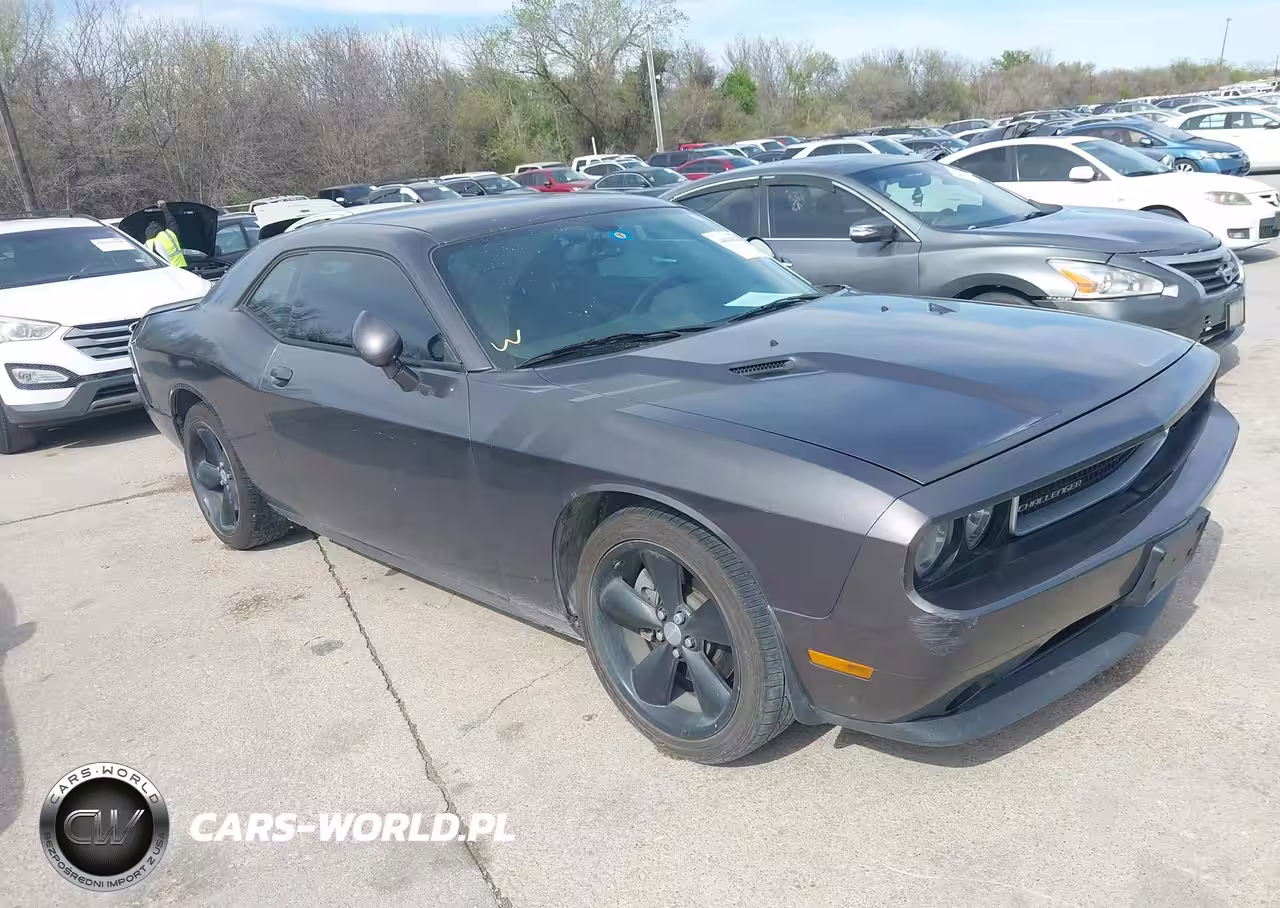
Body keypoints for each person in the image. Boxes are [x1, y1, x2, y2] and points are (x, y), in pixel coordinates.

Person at [145, 200, 187, 268]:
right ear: (160, 227)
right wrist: (164, 208)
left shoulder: (147, 244)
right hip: (179, 268)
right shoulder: (169, 235)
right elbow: (171, 222)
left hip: (162, 272)